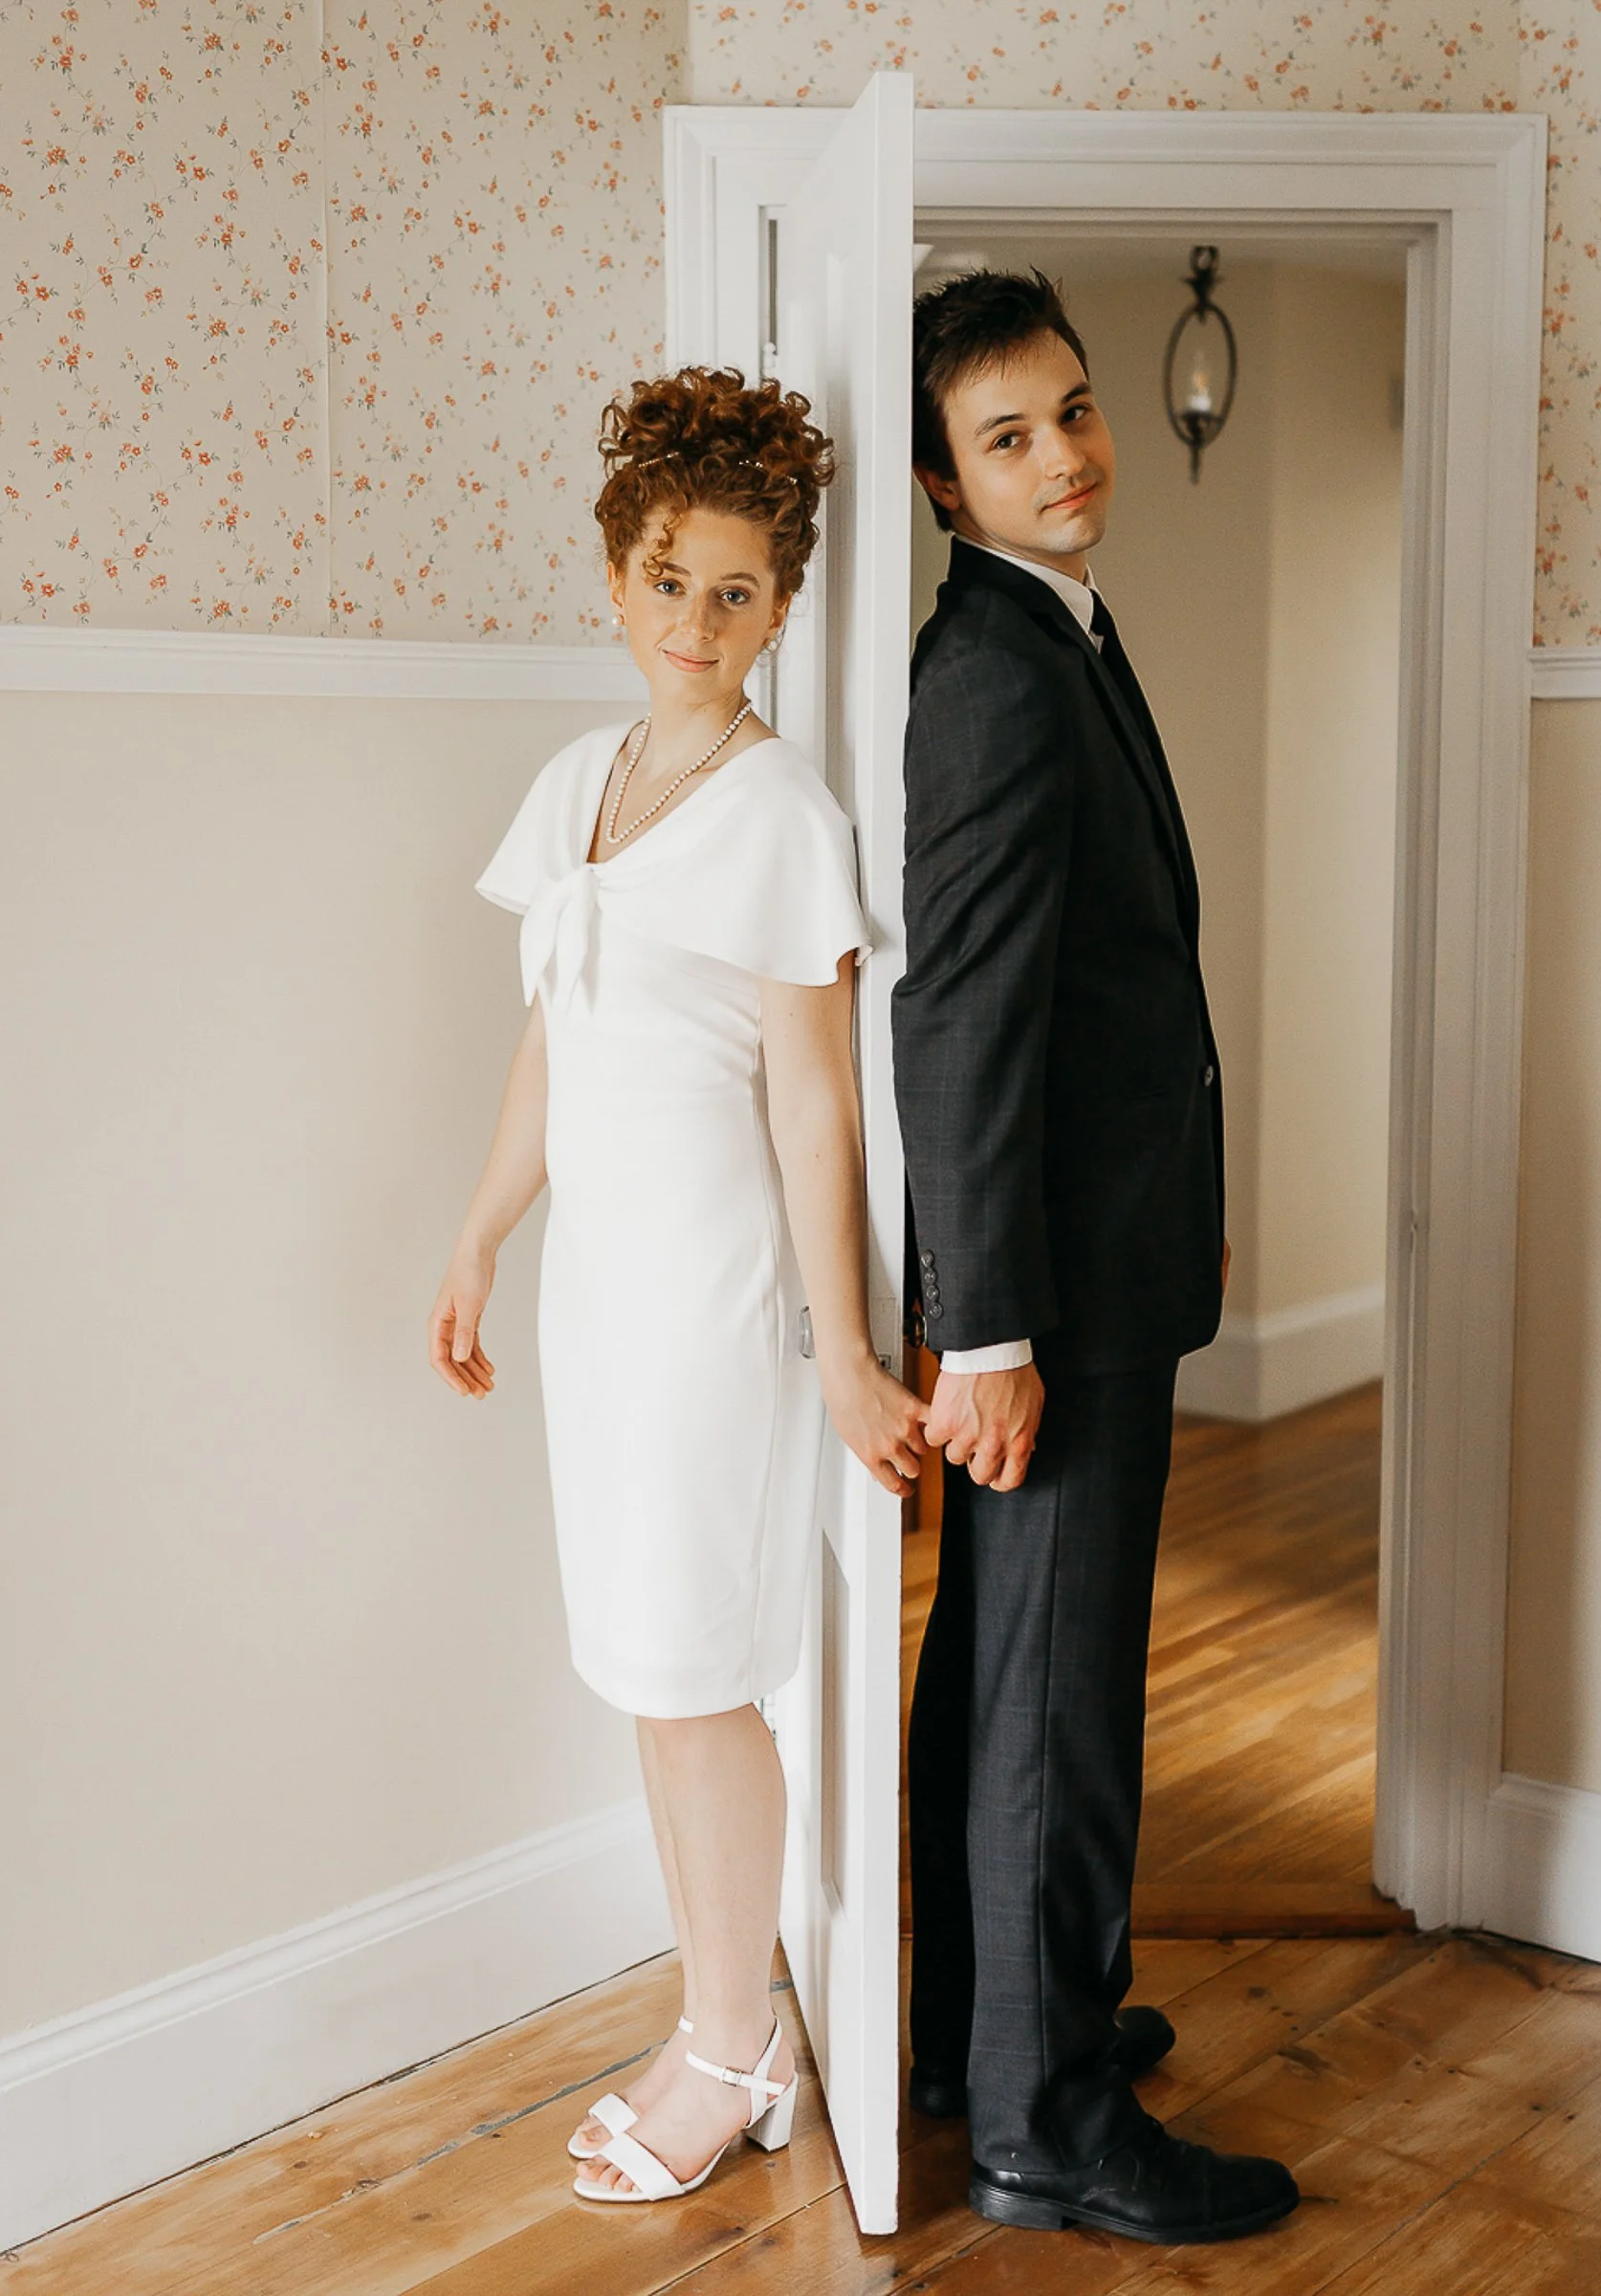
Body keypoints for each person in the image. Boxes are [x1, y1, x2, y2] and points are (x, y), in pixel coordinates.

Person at [429, 366, 929, 2207]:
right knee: (649, 1675)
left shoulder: (778, 811)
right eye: (665, 580)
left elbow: (813, 1110)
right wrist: (485, 1228)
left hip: (714, 1315)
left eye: (735, 591)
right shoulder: (579, 782)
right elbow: (552, 1051)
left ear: (781, 604)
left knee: (698, 1675)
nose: (695, 621)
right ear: (611, 582)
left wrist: (847, 1356)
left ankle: (734, 2045)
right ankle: (730, 2008)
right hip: (595, 1303)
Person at [892, 270, 1300, 2246]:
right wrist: (989, 1328)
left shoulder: (1056, 629)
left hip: (1092, 1258)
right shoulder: (986, 666)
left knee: (1002, 1667)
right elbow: (954, 1019)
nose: (1064, 456)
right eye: (1008, 436)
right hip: (1038, 1297)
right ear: (939, 482)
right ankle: (1043, 2130)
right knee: (1055, 1700)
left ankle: (977, 2034)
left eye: (1071, 411)